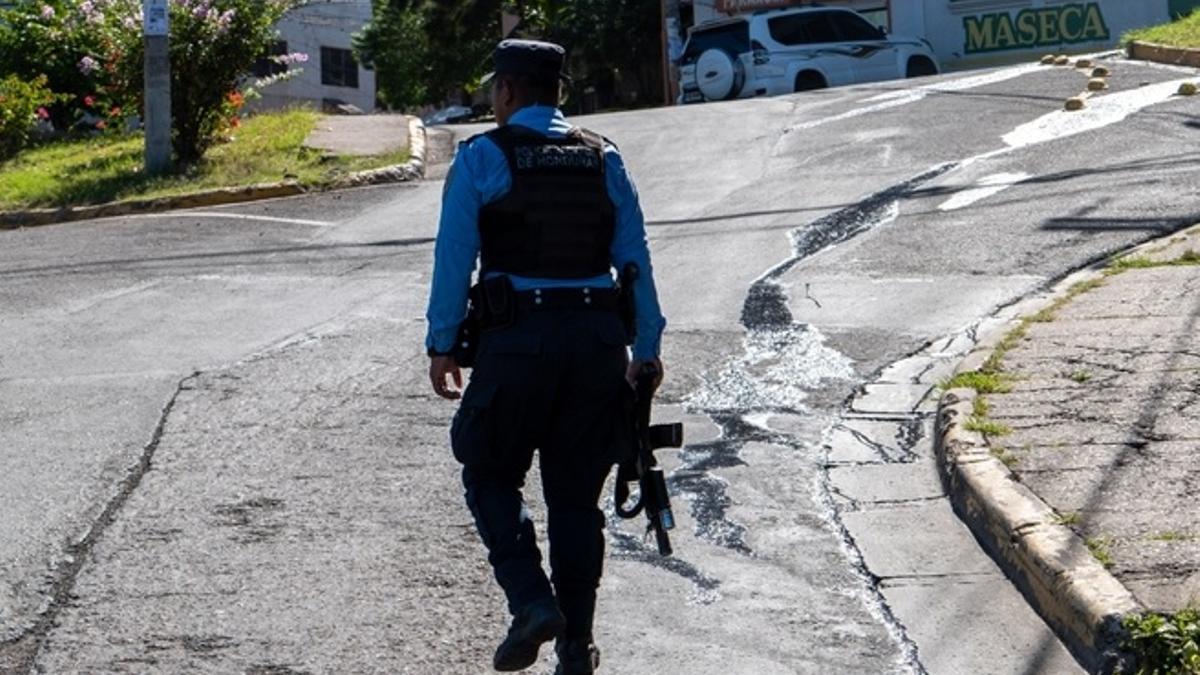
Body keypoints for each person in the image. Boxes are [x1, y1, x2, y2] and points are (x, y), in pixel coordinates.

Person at [425, 38, 666, 675]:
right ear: (557, 92)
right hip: (595, 347)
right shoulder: (603, 158)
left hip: (517, 347)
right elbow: (634, 261)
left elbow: (454, 258)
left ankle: (532, 602)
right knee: (575, 502)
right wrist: (646, 350)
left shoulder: (482, 157)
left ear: (506, 92)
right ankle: (577, 648)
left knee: (487, 471)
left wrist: (442, 343)